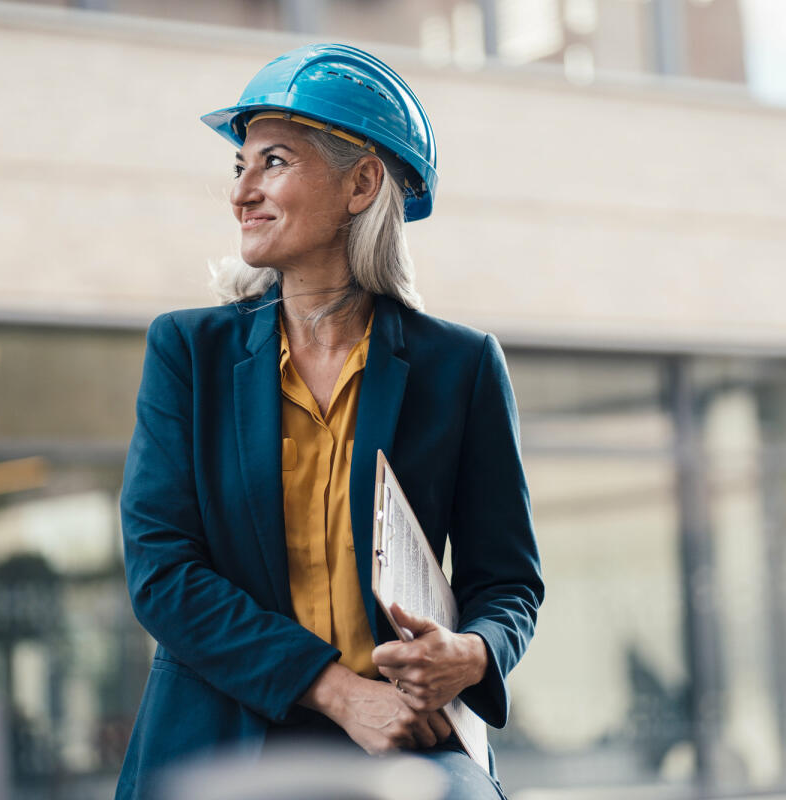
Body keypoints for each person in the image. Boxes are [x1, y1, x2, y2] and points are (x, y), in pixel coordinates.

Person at [116, 43, 543, 800]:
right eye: (238, 167)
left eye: (271, 162)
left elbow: (507, 581)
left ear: (362, 183)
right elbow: (163, 574)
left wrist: (472, 654)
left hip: (410, 739)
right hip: (224, 733)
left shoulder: (462, 366)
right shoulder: (188, 351)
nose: (241, 192)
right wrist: (341, 695)